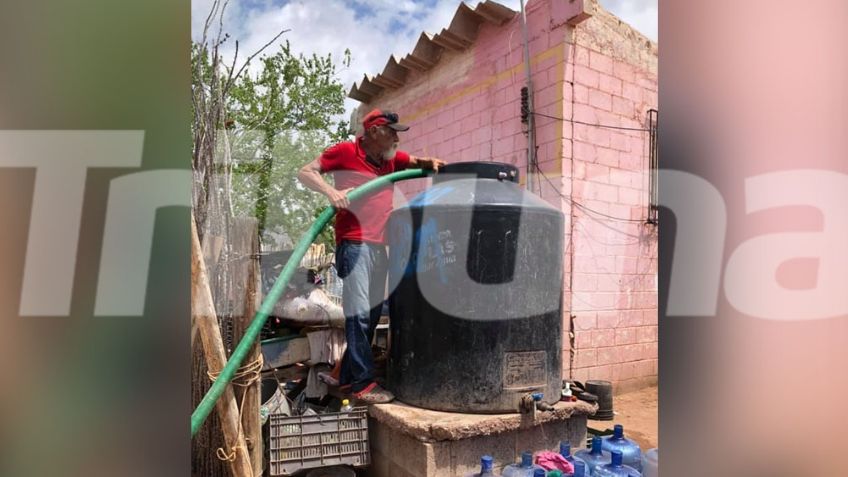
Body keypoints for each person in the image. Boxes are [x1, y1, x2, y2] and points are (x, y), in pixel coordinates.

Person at [297, 109, 445, 403]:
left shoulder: (391, 160)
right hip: (355, 244)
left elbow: (414, 161)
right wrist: (331, 192)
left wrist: (429, 163)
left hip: (380, 246)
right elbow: (306, 171)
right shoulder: (345, 151)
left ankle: (346, 374)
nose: (397, 139)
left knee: (373, 315)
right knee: (360, 314)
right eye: (392, 132)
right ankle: (362, 384)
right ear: (375, 131)